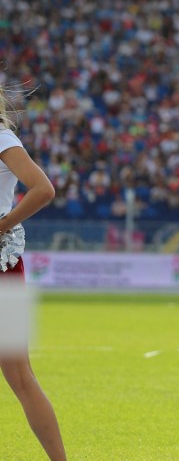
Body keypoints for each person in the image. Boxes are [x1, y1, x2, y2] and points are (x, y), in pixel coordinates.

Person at [0, 92, 66, 461]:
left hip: (1, 268)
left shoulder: (3, 138)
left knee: (20, 377)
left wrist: (4, 224)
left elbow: (43, 188)